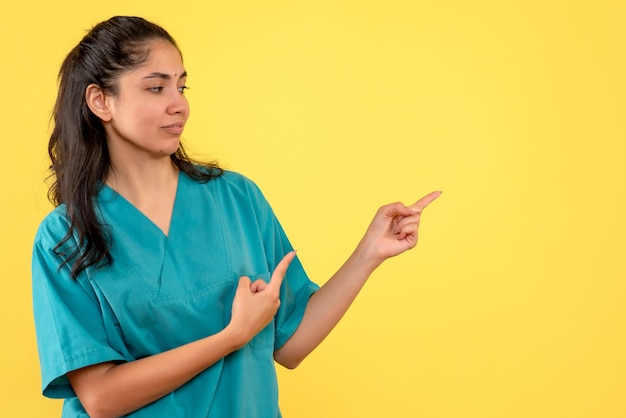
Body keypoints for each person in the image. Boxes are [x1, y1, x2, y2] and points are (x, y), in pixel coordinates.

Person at [32, 15, 441, 418]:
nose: (180, 105)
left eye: (182, 86)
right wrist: (233, 336)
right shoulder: (65, 235)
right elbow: (101, 398)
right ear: (100, 101)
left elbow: (291, 343)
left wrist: (369, 252)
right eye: (156, 88)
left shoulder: (235, 198)